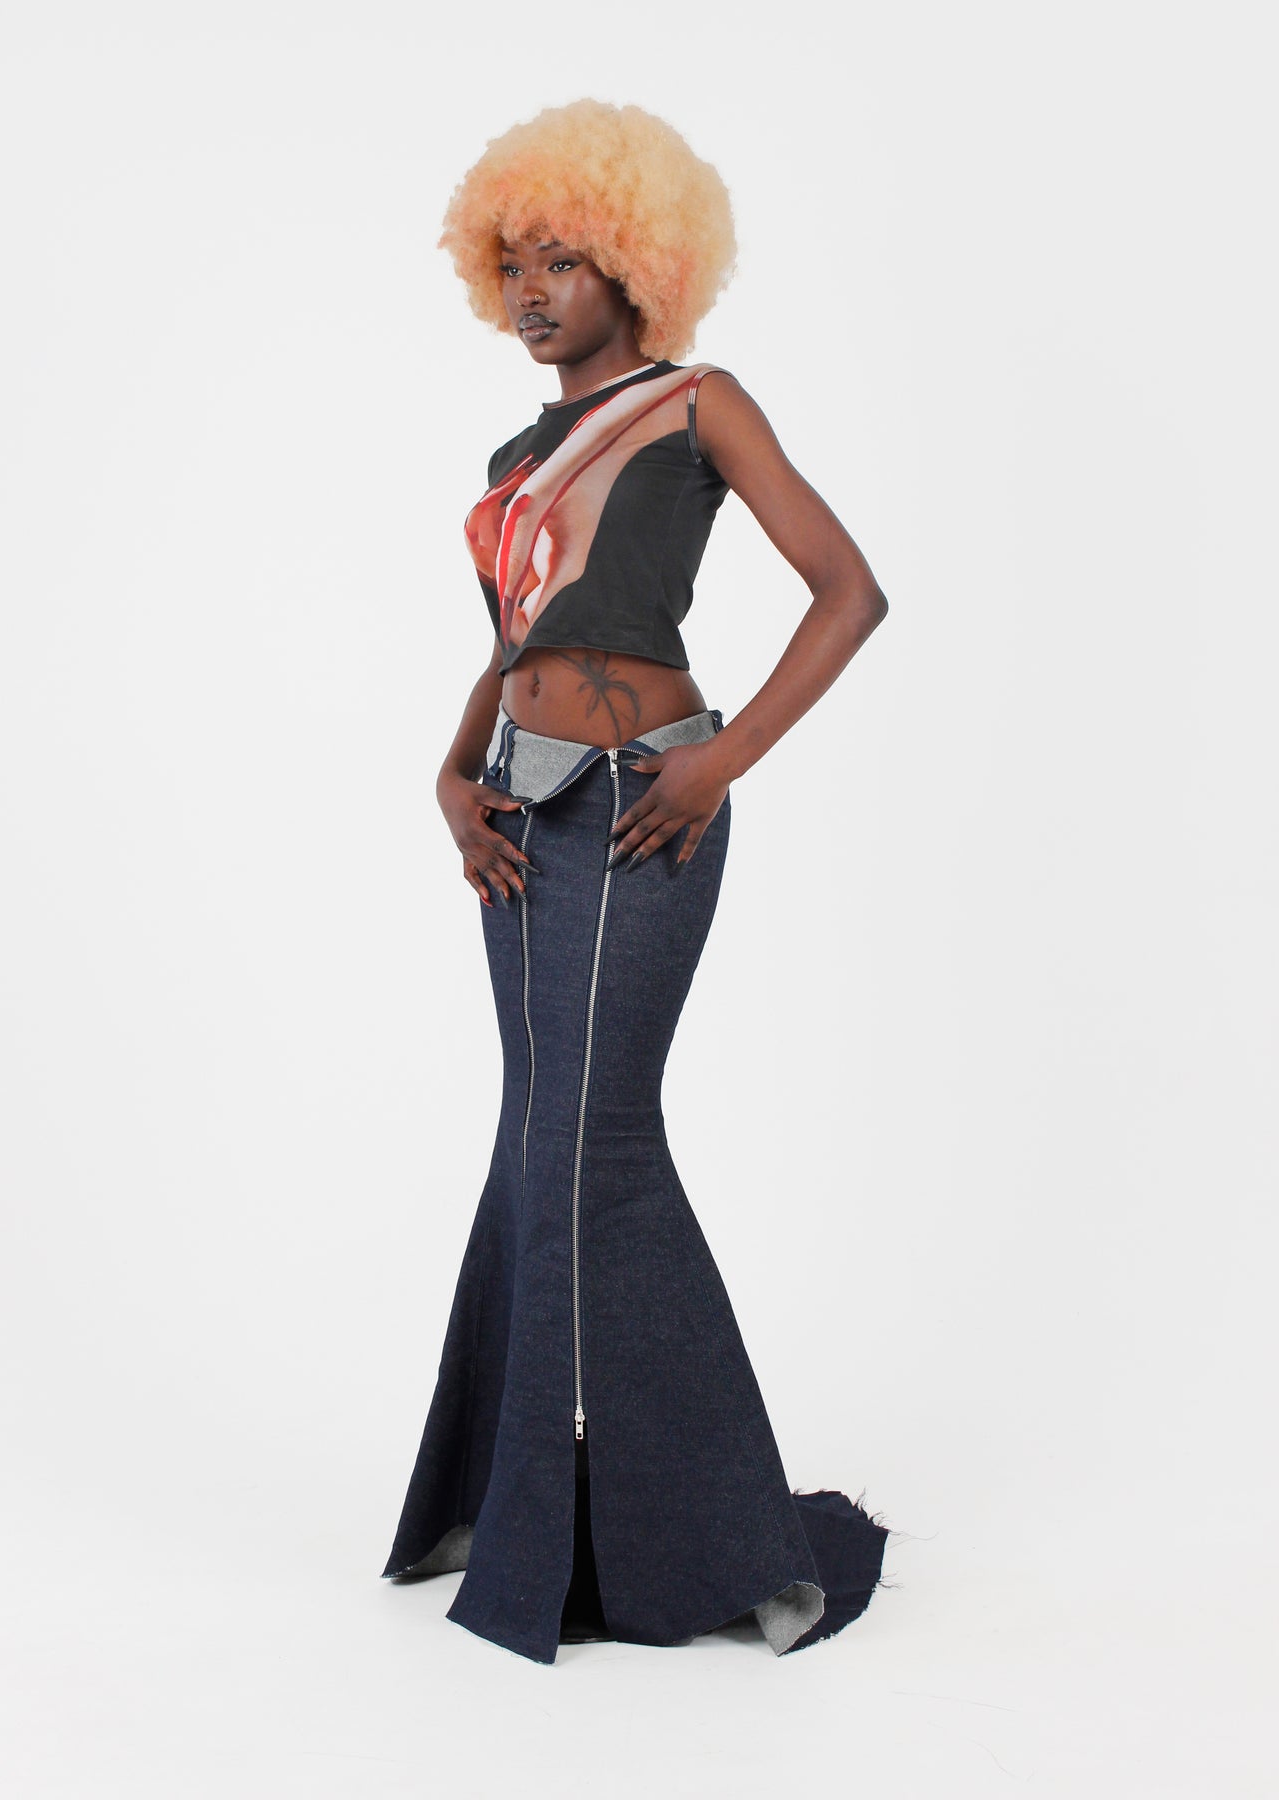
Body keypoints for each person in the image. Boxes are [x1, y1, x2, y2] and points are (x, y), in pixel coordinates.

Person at [381, 98, 895, 1663]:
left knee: (595, 1141)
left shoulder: (698, 405)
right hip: (518, 817)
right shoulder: (514, 460)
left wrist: (720, 761)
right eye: (513, 263)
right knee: (534, 1139)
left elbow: (849, 591)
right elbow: (512, 647)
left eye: (563, 259)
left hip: (638, 807)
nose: (532, 289)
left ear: (637, 265)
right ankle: (512, 1507)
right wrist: (449, 779)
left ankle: (732, 1546)